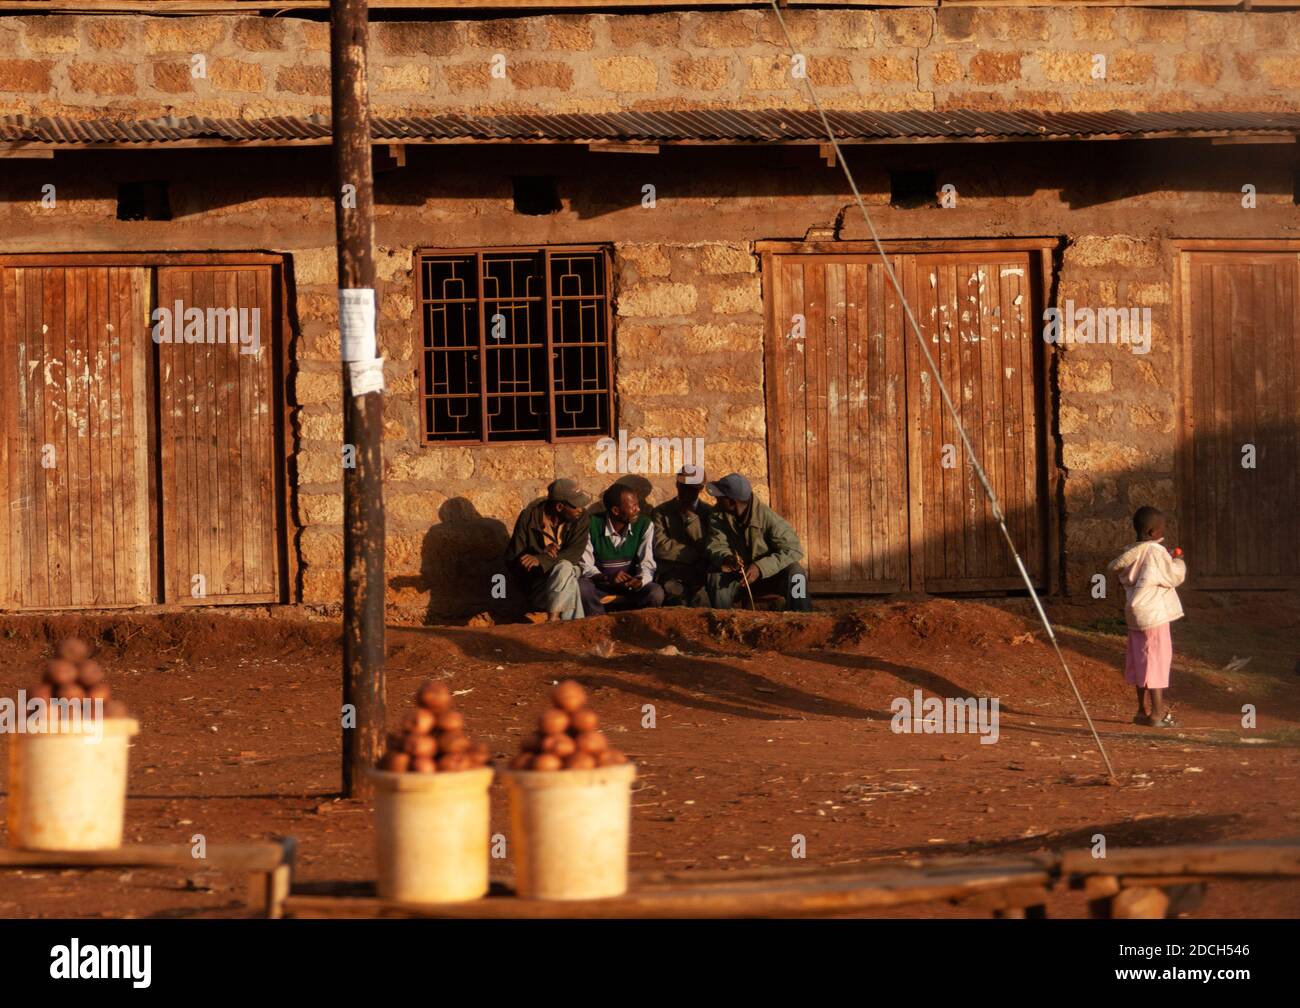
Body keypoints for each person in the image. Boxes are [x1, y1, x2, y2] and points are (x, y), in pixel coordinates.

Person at [1108, 505, 1187, 728]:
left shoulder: (1132, 553)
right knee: (1156, 663)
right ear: (1153, 533)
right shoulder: (1155, 552)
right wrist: (1178, 561)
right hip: (1154, 616)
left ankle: (1141, 711)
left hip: (1135, 617)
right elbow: (1172, 576)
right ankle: (1157, 714)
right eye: (1162, 529)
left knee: (1140, 661)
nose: (1164, 532)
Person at [704, 473, 811, 613]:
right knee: (714, 575)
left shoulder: (769, 519)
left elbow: (794, 549)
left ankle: (802, 620)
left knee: (797, 574)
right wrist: (727, 559)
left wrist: (760, 568)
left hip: (769, 577)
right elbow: (716, 545)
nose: (716, 499)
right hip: (737, 577)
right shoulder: (717, 515)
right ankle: (721, 622)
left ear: (731, 502)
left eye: (720, 496)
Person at [504, 478, 591, 621]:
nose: (580, 509)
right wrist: (537, 555)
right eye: (576, 505)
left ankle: (553, 618)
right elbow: (512, 559)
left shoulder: (581, 517)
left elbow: (574, 554)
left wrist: (542, 559)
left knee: (565, 567)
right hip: (539, 585)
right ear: (559, 507)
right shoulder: (529, 518)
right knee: (569, 582)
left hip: (571, 573)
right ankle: (572, 625)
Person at [579, 484, 665, 616]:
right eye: (633, 506)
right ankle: (598, 624)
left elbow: (647, 562)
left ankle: (636, 626)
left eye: (638, 505)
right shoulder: (591, 524)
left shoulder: (644, 525)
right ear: (616, 511)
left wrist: (640, 580)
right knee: (582, 587)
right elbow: (586, 566)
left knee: (655, 592)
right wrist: (607, 577)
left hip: (630, 587)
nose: (638, 509)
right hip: (601, 587)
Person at [651, 464, 712, 606]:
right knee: (676, 598)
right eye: (683, 487)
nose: (686, 492)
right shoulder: (661, 512)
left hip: (700, 572)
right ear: (677, 485)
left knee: (702, 600)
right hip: (673, 572)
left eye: (692, 489)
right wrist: (693, 555)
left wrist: (691, 519)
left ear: (700, 489)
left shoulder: (709, 513)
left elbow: (708, 545)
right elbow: (660, 546)